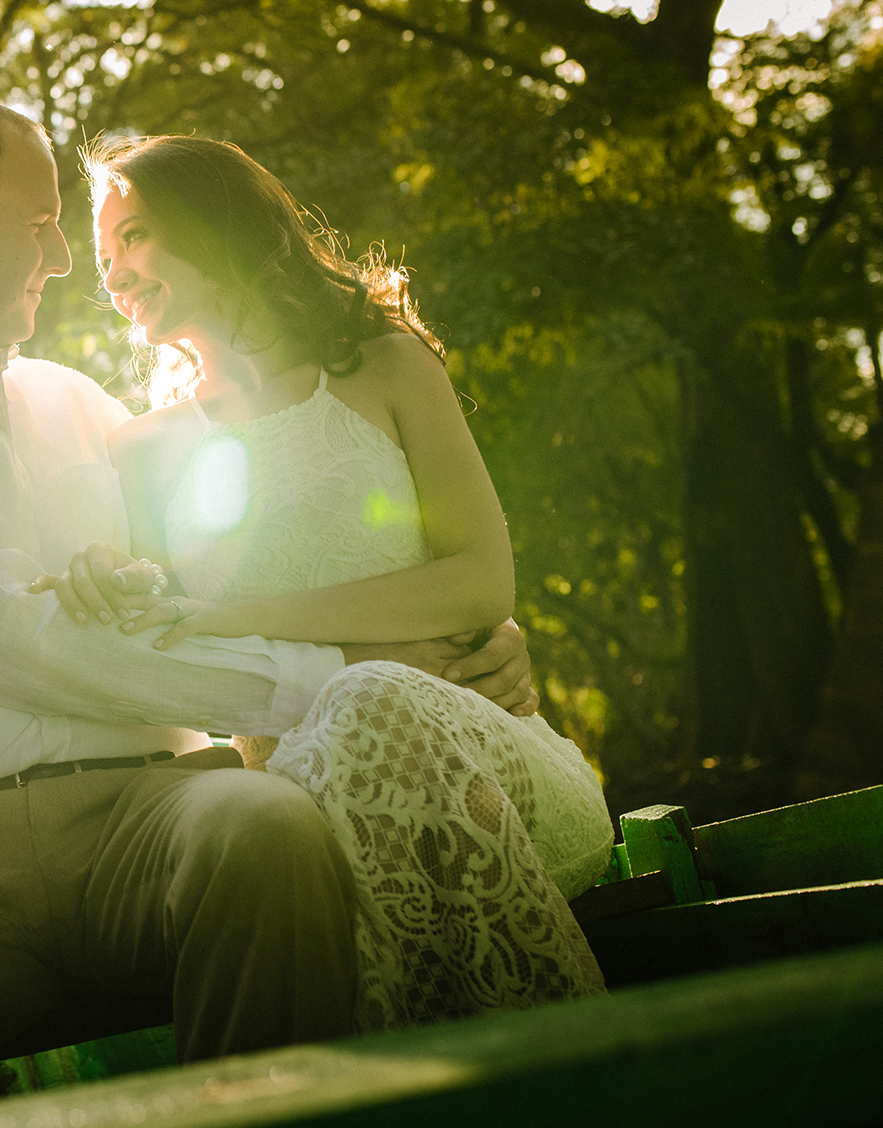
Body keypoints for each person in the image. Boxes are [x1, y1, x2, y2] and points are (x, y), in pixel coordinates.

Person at [0, 93, 539, 1126]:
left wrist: (472, 640)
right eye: (38, 224)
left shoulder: (84, 407)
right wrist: (362, 662)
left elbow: (243, 571)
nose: (66, 260)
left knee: (264, 833)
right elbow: (15, 642)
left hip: (148, 810)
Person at [41, 133, 611, 1030]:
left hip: (487, 762)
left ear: (214, 221)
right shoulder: (143, 451)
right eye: (104, 257)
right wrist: (111, 577)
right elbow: (179, 650)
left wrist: (252, 615)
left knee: (375, 697)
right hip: (300, 807)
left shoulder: (386, 364)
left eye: (136, 237)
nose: (112, 274)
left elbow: (481, 583)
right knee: (361, 702)